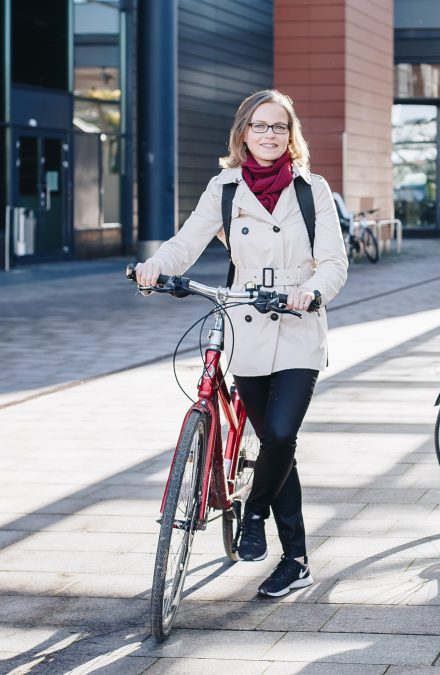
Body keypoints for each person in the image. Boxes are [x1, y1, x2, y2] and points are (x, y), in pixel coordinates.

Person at [133, 90, 349, 597]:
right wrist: (156, 267)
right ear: (243, 133)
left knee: (278, 434)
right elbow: (187, 242)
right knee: (278, 446)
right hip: (246, 326)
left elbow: (335, 263)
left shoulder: (311, 189)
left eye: (278, 127)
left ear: (290, 134)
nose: (269, 135)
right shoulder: (225, 188)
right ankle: (295, 560)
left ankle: (253, 513)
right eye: (259, 126)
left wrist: (311, 291)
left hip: (298, 325)